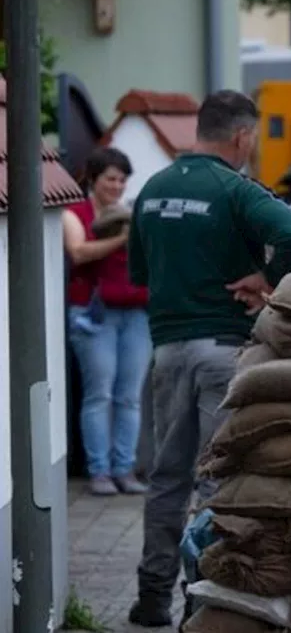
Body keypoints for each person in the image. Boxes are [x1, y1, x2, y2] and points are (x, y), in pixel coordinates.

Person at [126, 89, 291, 627]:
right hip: (223, 351)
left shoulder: (152, 190)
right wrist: (268, 280)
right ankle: (201, 601)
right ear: (243, 136)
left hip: (166, 351)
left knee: (166, 478)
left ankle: (150, 598)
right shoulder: (234, 189)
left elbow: (140, 275)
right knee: (215, 481)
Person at [63, 146, 152, 496]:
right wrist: (122, 239)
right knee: (99, 393)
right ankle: (98, 470)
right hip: (93, 315)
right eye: (110, 179)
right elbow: (79, 251)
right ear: (93, 179)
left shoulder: (130, 214)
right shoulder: (76, 213)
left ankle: (124, 468)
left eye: (122, 180)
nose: (117, 186)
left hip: (136, 313)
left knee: (129, 396)